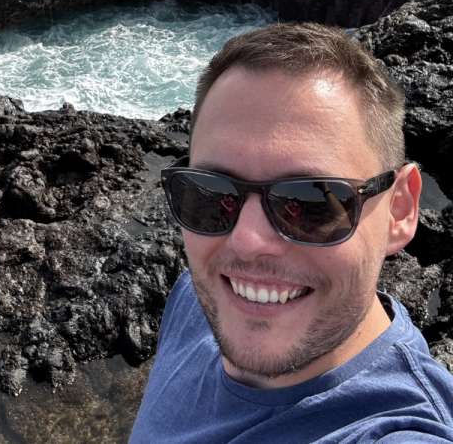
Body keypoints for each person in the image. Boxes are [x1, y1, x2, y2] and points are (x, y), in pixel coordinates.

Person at [130, 22, 453, 443]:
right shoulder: (195, 297)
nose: (246, 240)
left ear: (400, 209)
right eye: (212, 194)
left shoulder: (396, 430)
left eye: (312, 202)